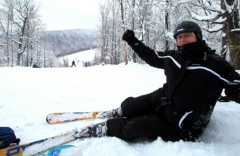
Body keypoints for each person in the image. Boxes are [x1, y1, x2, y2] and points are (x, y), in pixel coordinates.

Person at [75, 21, 240, 142]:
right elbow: (152, 56)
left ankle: (108, 127)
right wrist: (134, 42)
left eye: (187, 36)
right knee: (130, 105)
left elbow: (235, 85)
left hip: (182, 123)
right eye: (179, 37)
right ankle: (120, 111)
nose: (183, 40)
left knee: (132, 127)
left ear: (197, 37)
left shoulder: (214, 64)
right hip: (163, 99)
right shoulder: (174, 57)